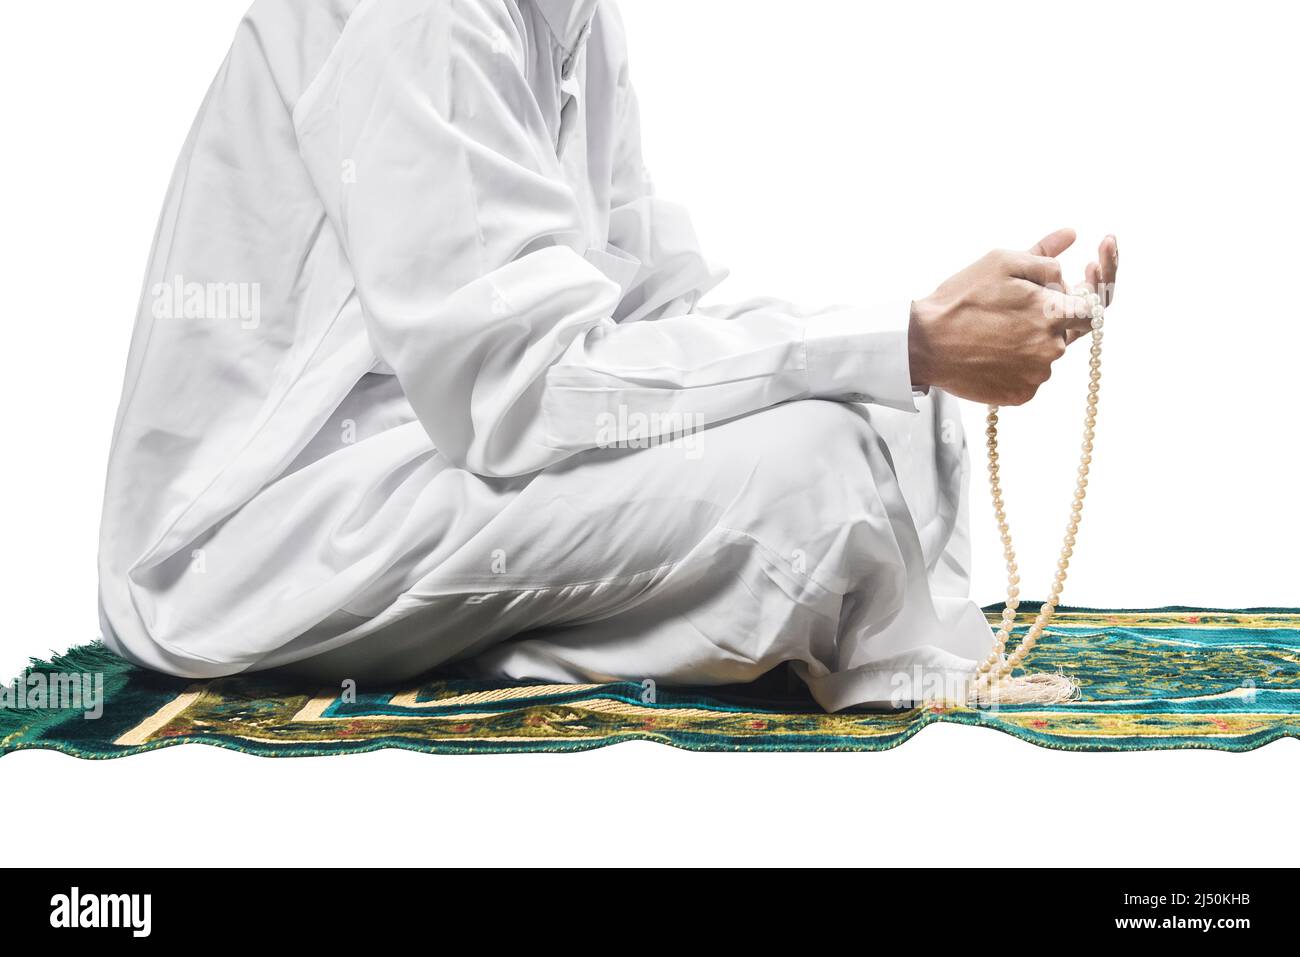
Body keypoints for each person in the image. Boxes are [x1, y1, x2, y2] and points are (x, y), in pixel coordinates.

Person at [97, 0, 1118, 710]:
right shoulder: (427, 15)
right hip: (268, 533)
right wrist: (902, 341)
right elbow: (526, 393)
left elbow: (652, 297)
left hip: (438, 443)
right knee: (812, 473)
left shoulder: (570, 18)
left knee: (887, 405)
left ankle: (703, 633)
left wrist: (922, 329)